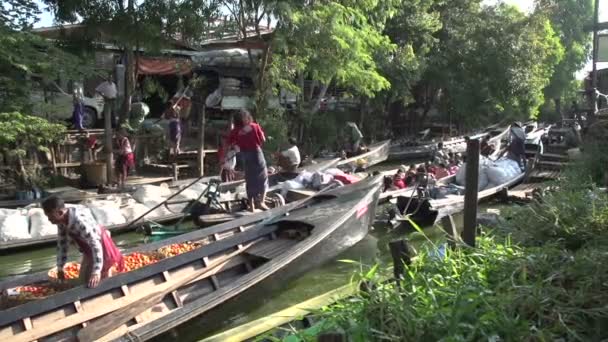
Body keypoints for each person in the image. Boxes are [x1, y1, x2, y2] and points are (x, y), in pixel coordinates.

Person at [42, 196, 124, 288]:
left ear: (60, 212)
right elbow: (62, 245)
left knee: (101, 280)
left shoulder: (80, 222)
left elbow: (95, 245)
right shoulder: (61, 221)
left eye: (50, 216)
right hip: (87, 249)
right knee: (84, 279)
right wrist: (60, 268)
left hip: (101, 246)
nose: (49, 220)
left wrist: (96, 272)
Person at [229, 109, 269, 211]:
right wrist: (262, 136)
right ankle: (261, 202)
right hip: (256, 153)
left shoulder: (236, 130)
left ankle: (252, 206)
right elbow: (262, 140)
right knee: (263, 176)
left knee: (250, 178)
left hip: (245, 155)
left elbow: (231, 142)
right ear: (247, 117)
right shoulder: (254, 126)